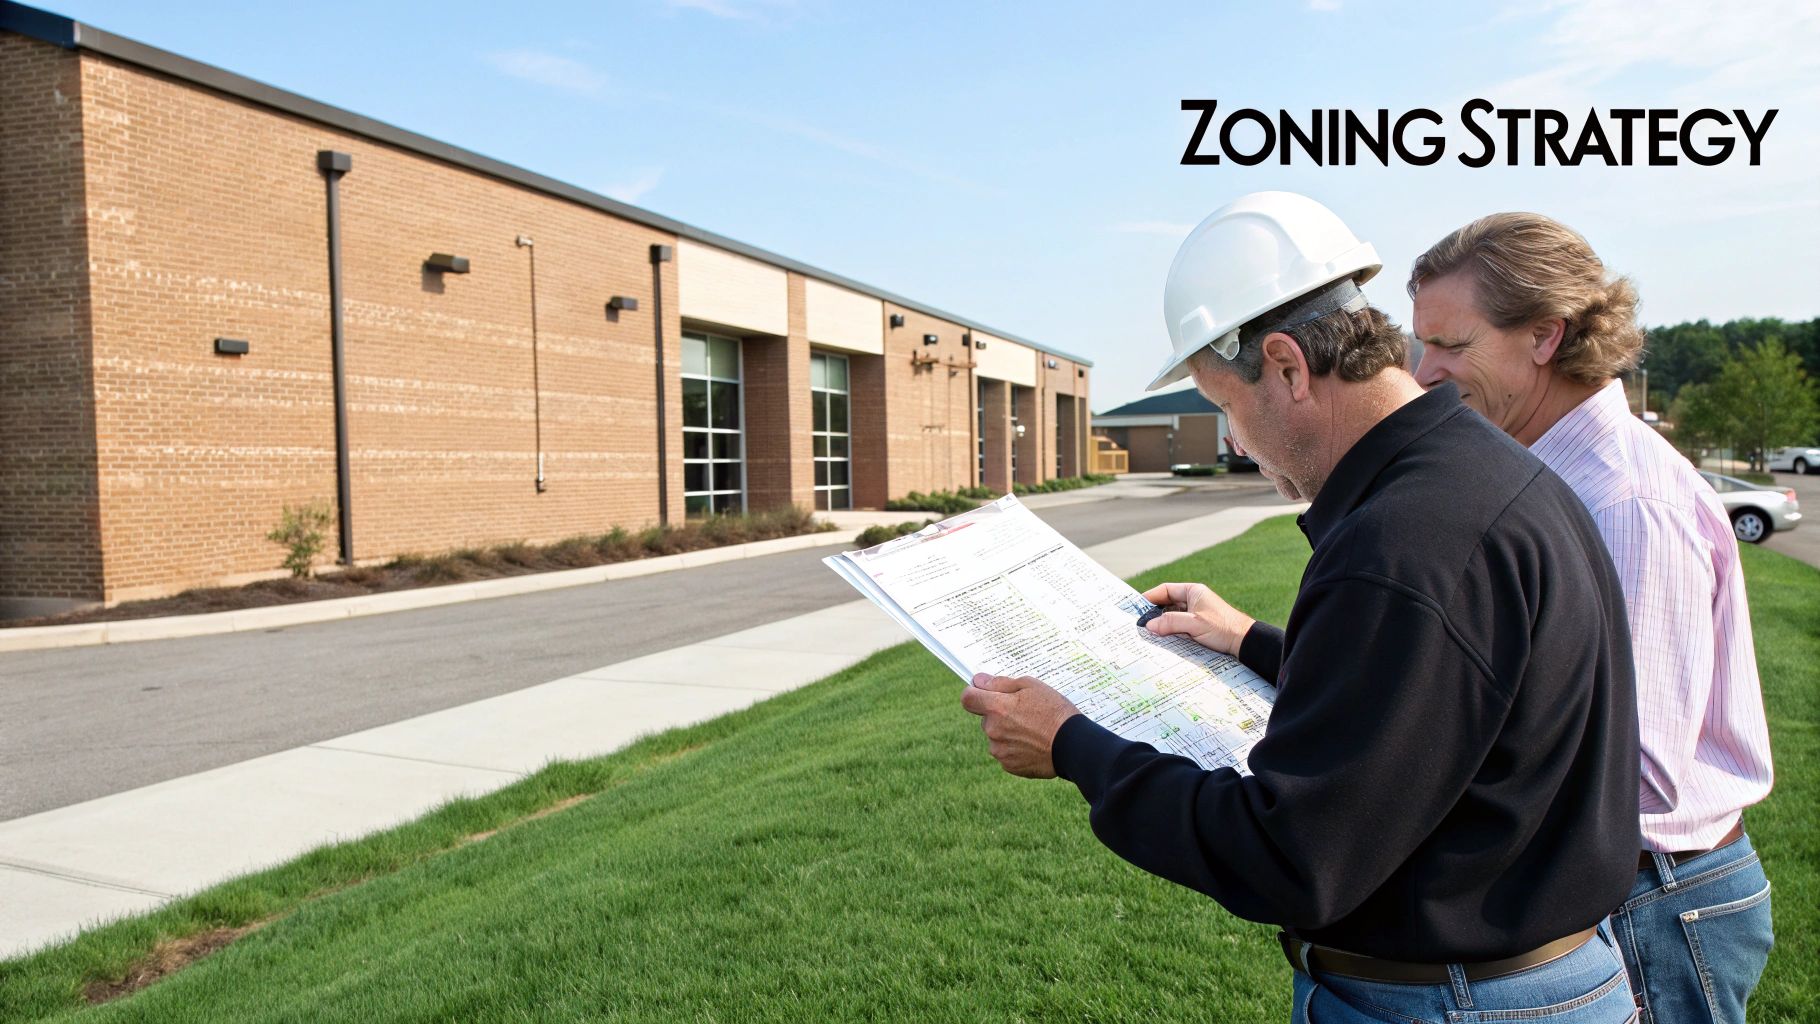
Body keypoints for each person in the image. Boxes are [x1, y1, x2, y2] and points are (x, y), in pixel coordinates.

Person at [960, 191, 1643, 1023]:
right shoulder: (1482, 473)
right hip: (1536, 979)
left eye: (1225, 408)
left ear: (1286, 365)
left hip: (1455, 1002)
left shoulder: (1402, 544)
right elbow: (1438, 704)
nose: (1238, 444)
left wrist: (1073, 747)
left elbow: (1287, 858)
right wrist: (1250, 641)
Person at [1409, 213, 1775, 1024]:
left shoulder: (1626, 504)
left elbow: (1634, 771)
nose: (1425, 371)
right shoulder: (1547, 476)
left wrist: (1412, 780)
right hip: (1620, 883)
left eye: (1452, 346)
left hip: (1656, 897)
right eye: (1421, 344)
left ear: (1545, 336)